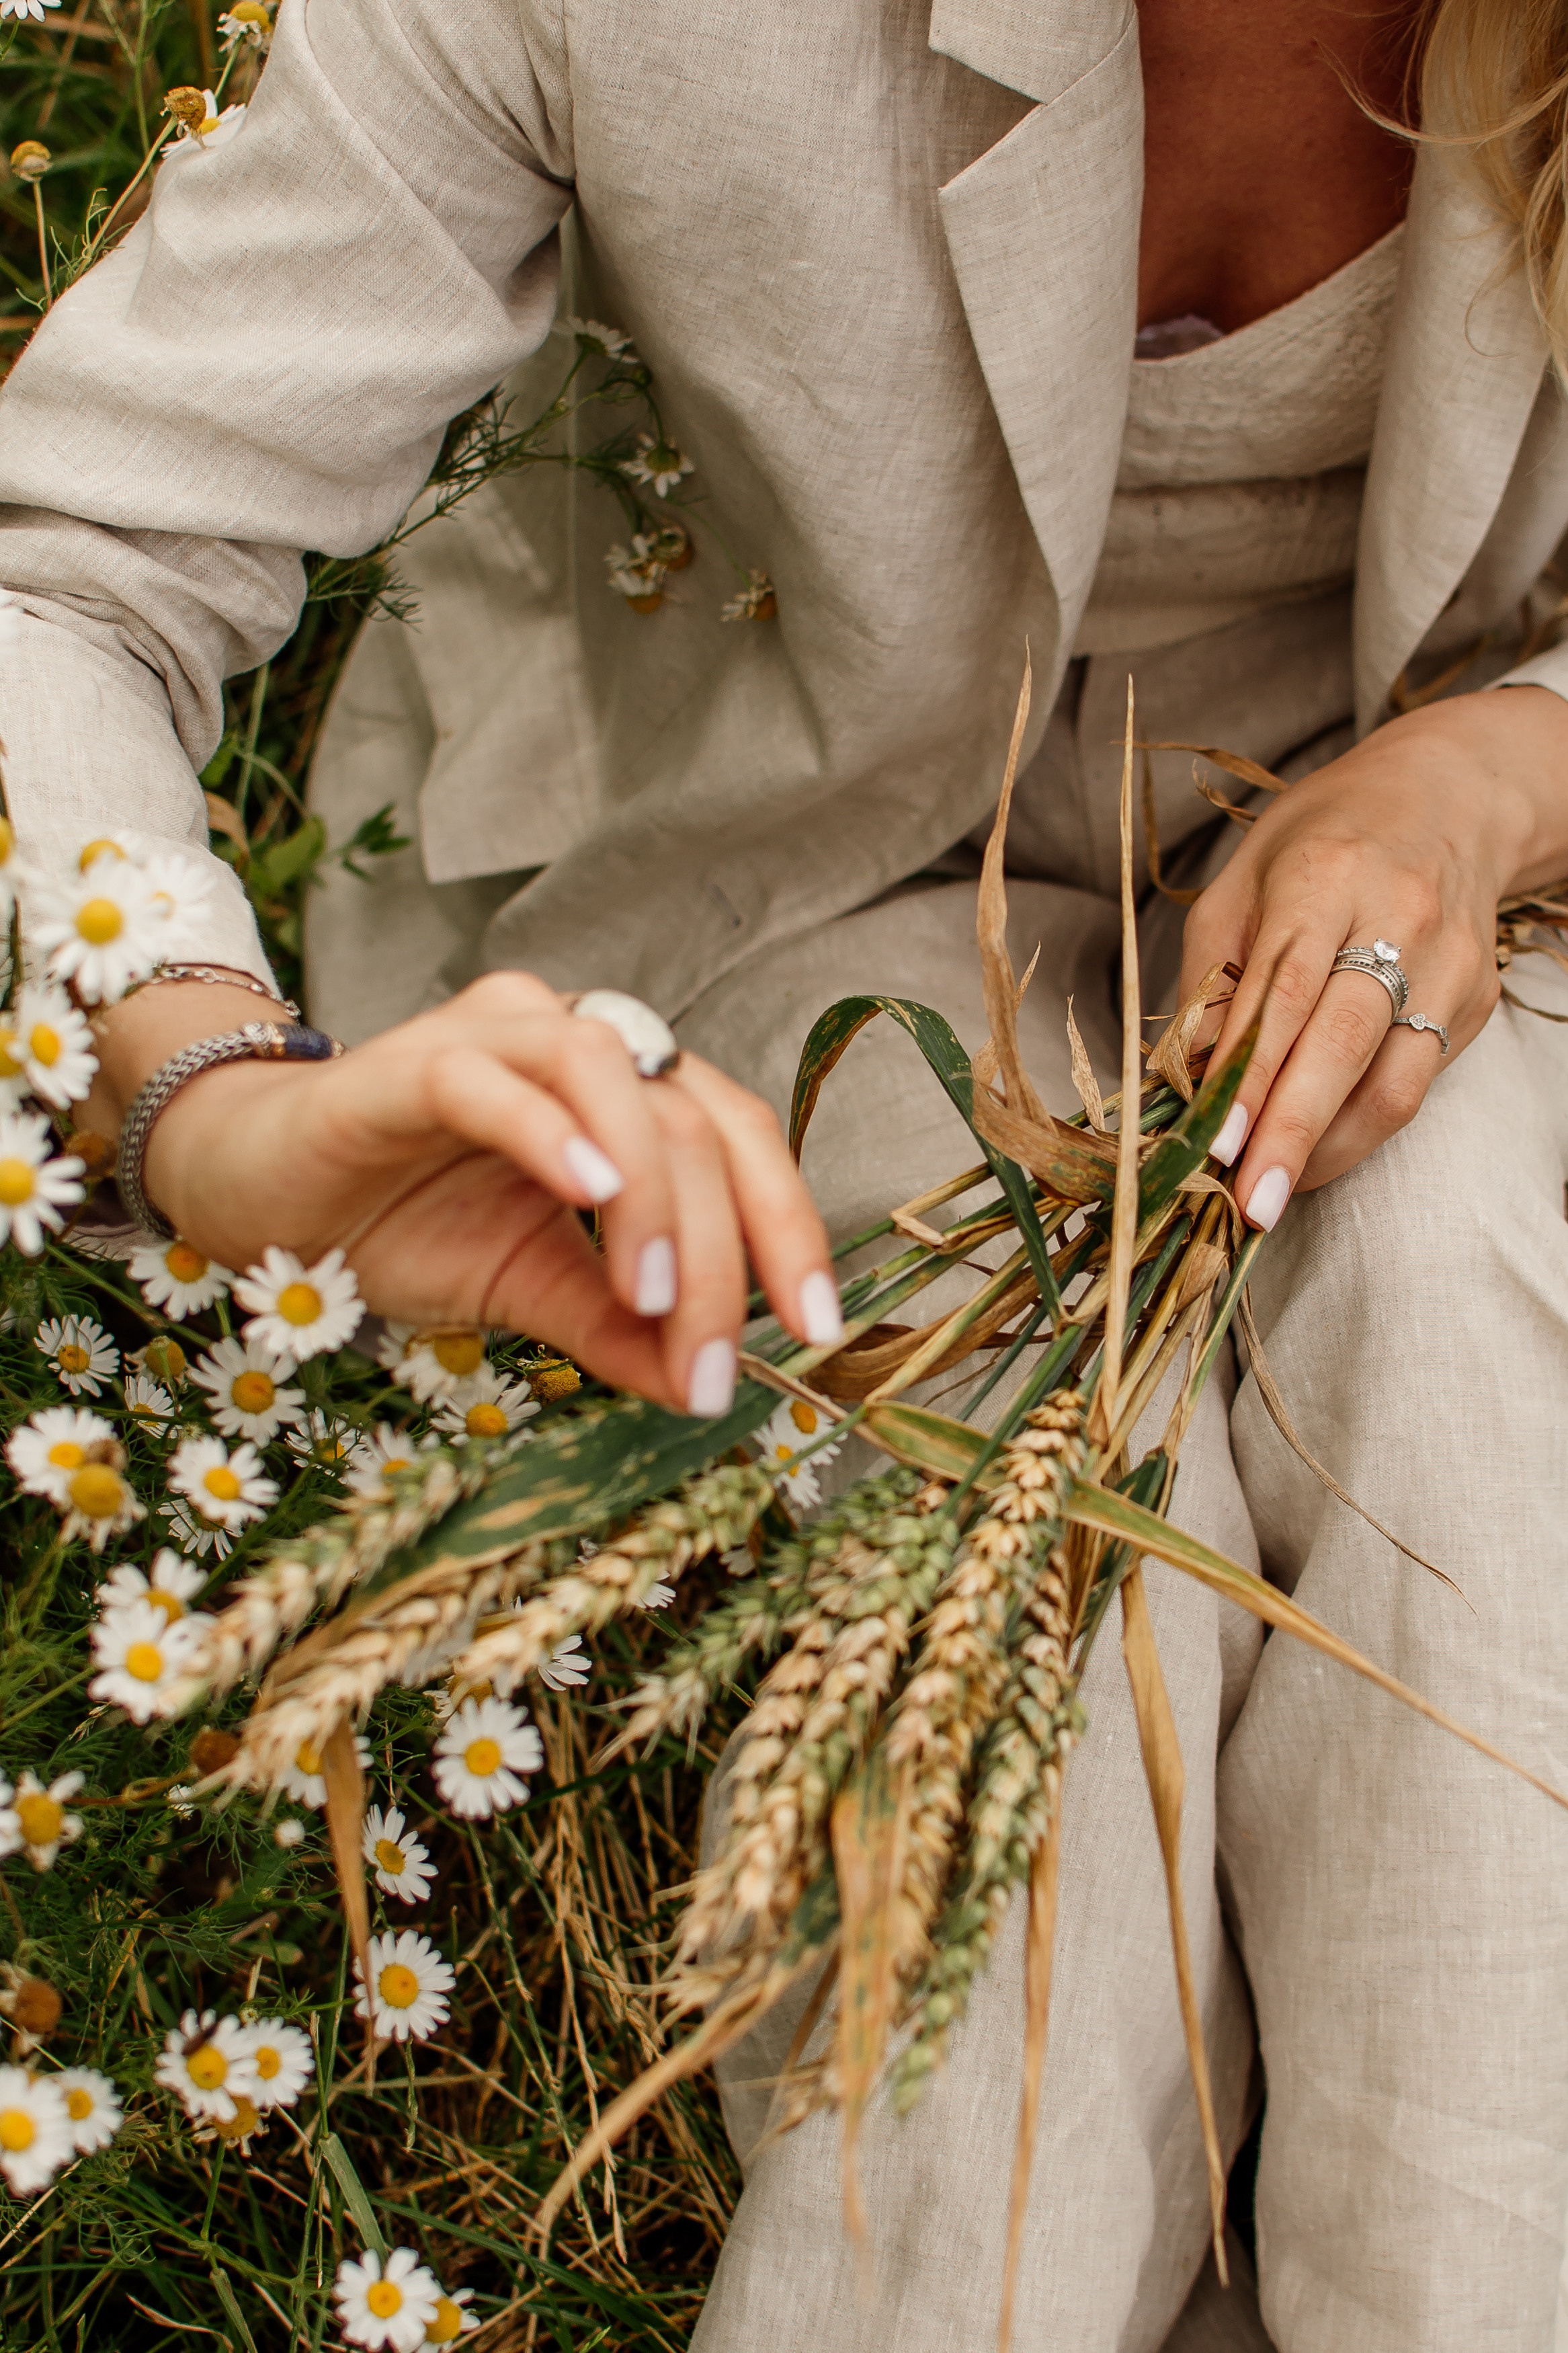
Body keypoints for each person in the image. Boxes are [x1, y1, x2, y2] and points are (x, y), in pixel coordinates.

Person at [1, 0, 1567, 2344]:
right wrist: (211, 1104)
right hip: (804, 905)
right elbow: (66, 569)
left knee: (1457, 1305)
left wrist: (1509, 771)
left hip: (1497, 913)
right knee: (1017, 1443)